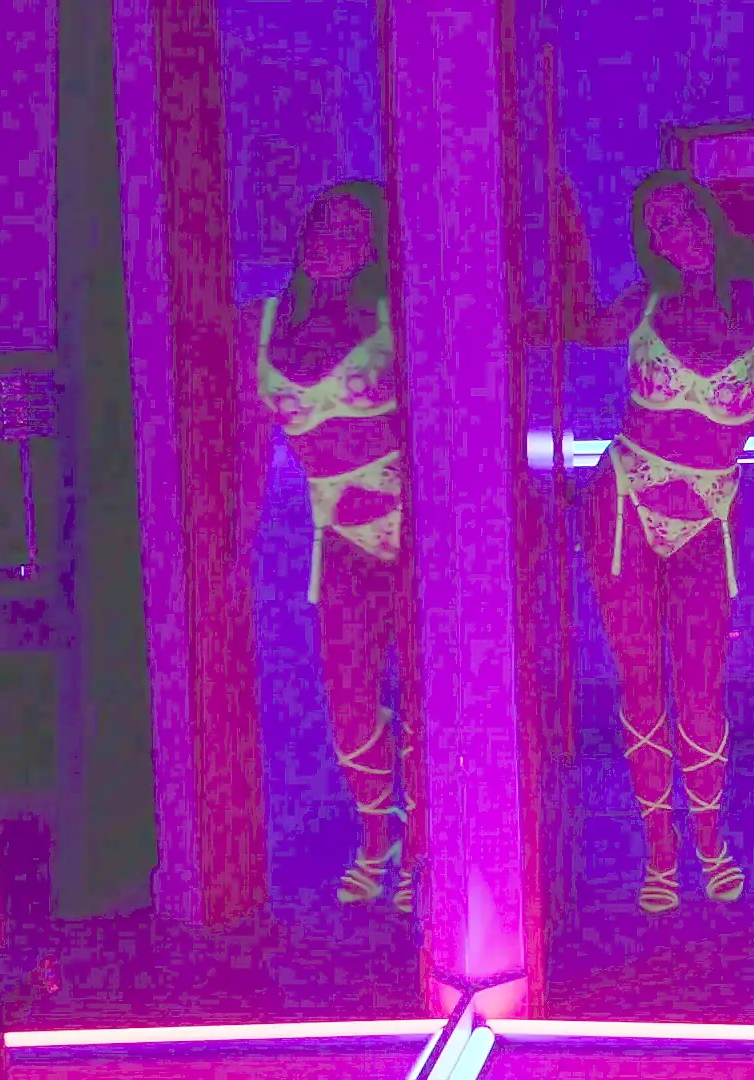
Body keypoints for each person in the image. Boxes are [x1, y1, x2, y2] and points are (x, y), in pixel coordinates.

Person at [557, 169, 754, 914]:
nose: (679, 233)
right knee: (639, 680)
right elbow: (576, 324)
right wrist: (562, 220)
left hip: (711, 509)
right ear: (650, 243)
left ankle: (711, 841)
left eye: (687, 215)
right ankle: (660, 853)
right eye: (660, 224)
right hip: (624, 499)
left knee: (701, 685)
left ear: (711, 219)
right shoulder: (642, 305)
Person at [233, 180, 424, 912]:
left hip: (414, 527)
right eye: (322, 224)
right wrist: (237, 543)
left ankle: (423, 846)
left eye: (350, 230)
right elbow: (249, 447)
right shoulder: (259, 324)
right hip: (338, 532)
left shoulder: (394, 314)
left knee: (423, 697)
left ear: (373, 246)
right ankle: (379, 835)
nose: (331, 240)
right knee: (347, 699)